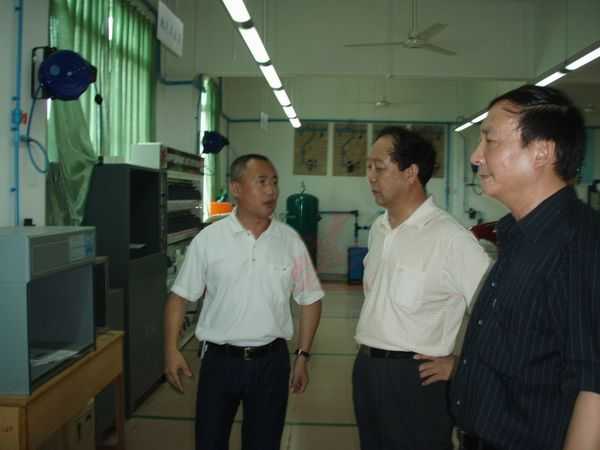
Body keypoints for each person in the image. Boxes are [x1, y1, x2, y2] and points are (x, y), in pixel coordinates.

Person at [450, 84, 600, 450]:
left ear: (542, 152)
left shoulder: (582, 243)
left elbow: (594, 385)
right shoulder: (517, 235)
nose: (476, 156)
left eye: (490, 141)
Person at [164, 154, 323, 450]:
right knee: (210, 441)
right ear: (236, 188)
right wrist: (171, 349)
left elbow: (311, 298)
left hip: (271, 364)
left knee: (264, 443)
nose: (271, 191)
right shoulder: (209, 240)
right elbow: (180, 296)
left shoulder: (289, 241)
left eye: (274, 182)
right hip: (218, 363)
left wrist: (303, 355)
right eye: (261, 182)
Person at [353, 126, 490, 450]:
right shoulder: (379, 229)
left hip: (417, 378)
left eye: (379, 167)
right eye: (368, 167)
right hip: (367, 369)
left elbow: (498, 312)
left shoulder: (451, 238)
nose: (370, 176)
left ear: (410, 172)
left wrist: (463, 364)